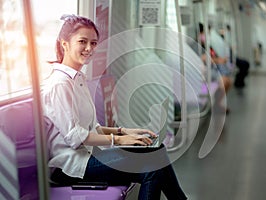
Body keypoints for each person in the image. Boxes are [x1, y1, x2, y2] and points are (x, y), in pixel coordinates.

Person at [41, 14, 187, 200]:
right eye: (82, 41)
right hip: (70, 167)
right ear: (64, 44)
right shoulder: (60, 84)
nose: (89, 48)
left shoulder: (77, 79)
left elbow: (94, 128)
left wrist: (125, 132)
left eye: (93, 43)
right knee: (153, 166)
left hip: (86, 159)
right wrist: (119, 140)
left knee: (156, 154)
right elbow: (75, 138)